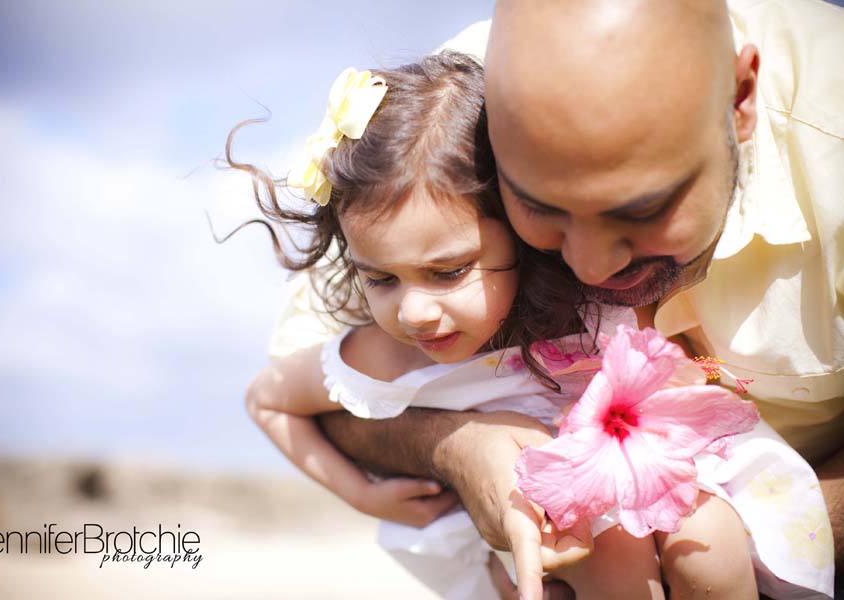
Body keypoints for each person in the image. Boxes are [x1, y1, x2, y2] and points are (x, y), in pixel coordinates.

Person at [267, 1, 844, 598]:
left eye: (640, 209)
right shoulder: (445, 129)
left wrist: (758, 543)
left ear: (740, 99)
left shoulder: (833, 137)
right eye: (540, 211)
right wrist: (452, 448)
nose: (590, 268)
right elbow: (313, 382)